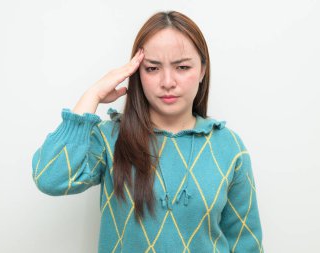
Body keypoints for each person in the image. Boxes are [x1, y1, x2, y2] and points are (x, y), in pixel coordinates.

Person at [32, 10, 264, 253]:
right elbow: (49, 177)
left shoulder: (229, 147)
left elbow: (246, 244)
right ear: (136, 72)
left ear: (203, 70)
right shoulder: (110, 138)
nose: (167, 81)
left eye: (182, 67)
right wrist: (94, 95)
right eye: (152, 68)